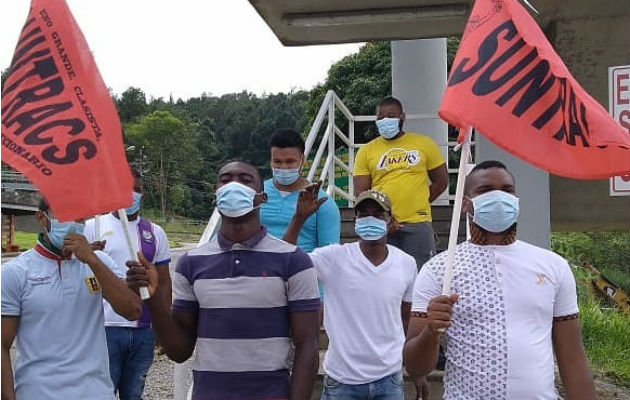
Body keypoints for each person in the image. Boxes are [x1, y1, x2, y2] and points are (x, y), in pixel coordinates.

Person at [126, 160, 321, 400]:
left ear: (261, 197)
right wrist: (153, 300)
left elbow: (308, 345)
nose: (234, 185)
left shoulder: (293, 260)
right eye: (225, 180)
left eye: (245, 179)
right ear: (215, 197)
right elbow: (179, 351)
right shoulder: (191, 263)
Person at [403, 161, 596, 400]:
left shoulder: (553, 266)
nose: (498, 196)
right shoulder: (439, 270)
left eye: (507, 190)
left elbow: (573, 359)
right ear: (465, 204)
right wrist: (431, 332)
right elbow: (415, 367)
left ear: (516, 200)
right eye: (485, 191)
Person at [1, 199, 142, 400]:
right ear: (42, 218)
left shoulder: (99, 263)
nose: (73, 223)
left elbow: (132, 310)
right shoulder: (14, 273)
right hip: (37, 393)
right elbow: (2, 345)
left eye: (79, 217)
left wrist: (92, 259)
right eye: (63, 213)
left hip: (96, 393)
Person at [283, 188, 417, 400]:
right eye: (363, 214)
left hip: (389, 379)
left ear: (390, 220)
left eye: (378, 214)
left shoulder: (407, 263)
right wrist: (299, 219)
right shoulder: (333, 258)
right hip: (342, 381)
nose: (370, 219)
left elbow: (406, 319)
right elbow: (287, 260)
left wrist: (416, 369)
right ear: (355, 220)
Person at [84, 168, 171, 400]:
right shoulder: (95, 227)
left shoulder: (154, 232)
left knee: (134, 393)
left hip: (143, 329)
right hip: (104, 327)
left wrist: (163, 327)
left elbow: (163, 282)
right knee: (102, 391)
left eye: (138, 189)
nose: (133, 194)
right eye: (126, 188)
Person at [353, 96, 448, 269]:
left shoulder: (424, 143)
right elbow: (362, 193)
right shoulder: (366, 151)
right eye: (380, 117)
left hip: (418, 224)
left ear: (402, 117)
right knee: (383, 277)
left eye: (391, 116)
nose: (385, 121)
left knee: (422, 276)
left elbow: (441, 181)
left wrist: (419, 202)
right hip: (381, 225)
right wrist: (384, 217)